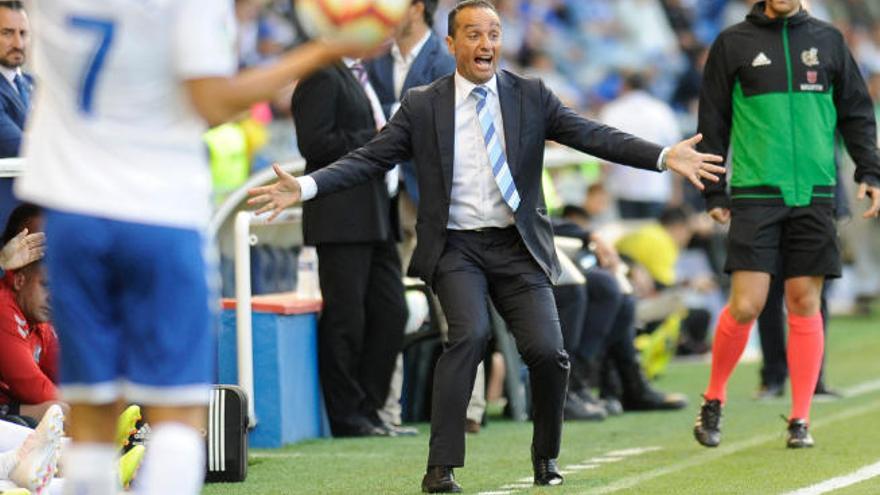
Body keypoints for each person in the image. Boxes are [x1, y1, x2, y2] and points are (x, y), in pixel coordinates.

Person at [249, 1, 724, 491]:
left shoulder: (531, 95)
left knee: (548, 352)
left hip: (517, 247)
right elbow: (369, 159)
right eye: (473, 35)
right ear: (451, 44)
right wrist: (305, 187)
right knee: (469, 336)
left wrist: (664, 156)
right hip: (456, 248)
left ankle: (546, 457)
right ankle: (440, 468)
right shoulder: (422, 103)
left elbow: (592, 136)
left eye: (493, 34)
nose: (486, 44)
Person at [13, 1, 374, 494]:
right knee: (177, 415)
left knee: (94, 413)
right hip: (159, 209)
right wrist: (324, 50)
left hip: (73, 212)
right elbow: (213, 101)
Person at [692, 0, 880, 450]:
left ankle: (800, 418)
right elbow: (712, 120)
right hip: (757, 192)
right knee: (747, 304)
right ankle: (714, 397)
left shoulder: (829, 40)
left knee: (804, 301)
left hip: (815, 192)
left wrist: (870, 171)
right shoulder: (732, 42)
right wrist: (714, 191)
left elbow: (856, 111)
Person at [292, 55, 409, 437]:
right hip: (341, 216)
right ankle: (346, 416)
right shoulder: (320, 72)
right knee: (346, 319)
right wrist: (377, 138)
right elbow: (314, 141)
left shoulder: (361, 73)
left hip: (378, 214)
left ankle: (370, 408)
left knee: (392, 312)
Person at [0, 1, 31, 231]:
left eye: (23, 33)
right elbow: (20, 147)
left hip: (40, 223)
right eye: (7, 33)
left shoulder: (39, 87)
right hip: (7, 229)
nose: (18, 43)